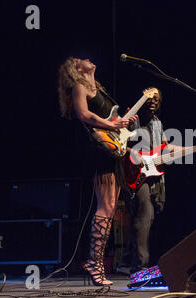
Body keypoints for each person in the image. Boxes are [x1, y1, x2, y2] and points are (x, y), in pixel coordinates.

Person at [57, 57, 137, 286]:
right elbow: (84, 114)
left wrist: (123, 122)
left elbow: (109, 120)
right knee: (106, 206)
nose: (87, 59)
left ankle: (97, 261)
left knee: (111, 208)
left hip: (112, 149)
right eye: (80, 59)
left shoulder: (98, 88)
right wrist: (112, 125)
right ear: (75, 69)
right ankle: (94, 262)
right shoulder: (79, 87)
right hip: (98, 152)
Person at [118, 87, 196, 274]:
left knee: (148, 217)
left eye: (156, 99)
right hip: (133, 173)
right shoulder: (132, 118)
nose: (153, 101)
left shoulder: (157, 123)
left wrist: (195, 147)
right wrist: (131, 152)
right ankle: (139, 267)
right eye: (149, 98)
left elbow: (166, 148)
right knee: (145, 214)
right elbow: (116, 142)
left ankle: (134, 263)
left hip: (152, 175)